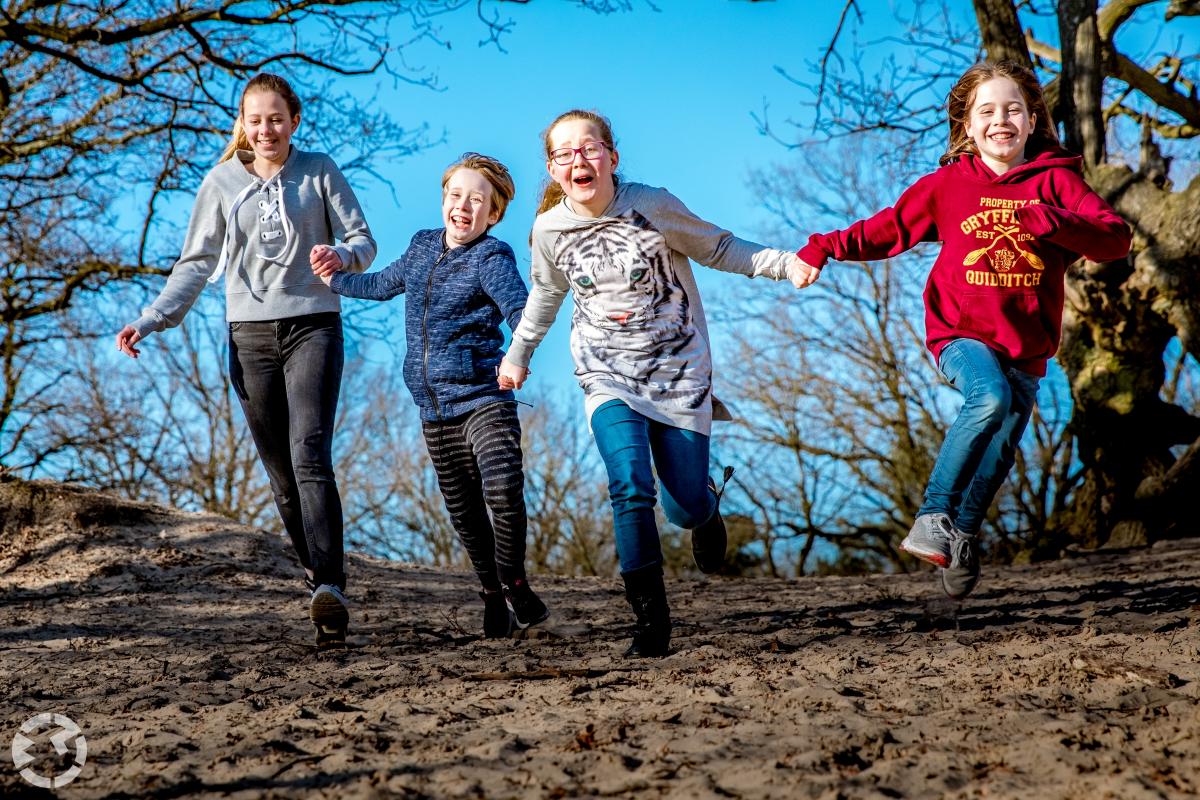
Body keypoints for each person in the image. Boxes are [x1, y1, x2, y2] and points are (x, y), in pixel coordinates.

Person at [795, 60, 1132, 600]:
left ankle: (965, 531)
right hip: (960, 332)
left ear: (1031, 120)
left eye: (1013, 109)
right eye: (987, 112)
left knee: (999, 451)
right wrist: (825, 246)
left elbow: (1116, 239)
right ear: (968, 127)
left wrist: (1057, 221)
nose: (1001, 120)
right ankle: (933, 517)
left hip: (1027, 344)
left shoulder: (1058, 181)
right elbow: (887, 230)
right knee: (987, 396)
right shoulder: (948, 185)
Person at [498, 109, 814, 658]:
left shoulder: (652, 205)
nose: (580, 159)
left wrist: (784, 264)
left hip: (678, 371)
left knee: (683, 507)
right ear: (552, 169)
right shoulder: (549, 231)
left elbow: (717, 247)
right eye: (566, 153)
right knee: (630, 486)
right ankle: (650, 622)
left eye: (590, 148)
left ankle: (706, 507)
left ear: (612, 158)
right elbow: (546, 294)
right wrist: (518, 354)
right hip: (606, 374)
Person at [116, 73, 377, 648]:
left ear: (295, 121)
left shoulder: (320, 170)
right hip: (249, 338)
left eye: (277, 118)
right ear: (243, 122)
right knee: (282, 475)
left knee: (310, 453)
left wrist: (341, 255)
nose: (266, 129)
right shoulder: (220, 182)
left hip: (314, 325)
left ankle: (331, 585)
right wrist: (151, 318)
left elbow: (363, 240)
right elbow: (194, 264)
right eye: (256, 119)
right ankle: (316, 582)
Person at [314, 153, 549, 638]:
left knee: (502, 491)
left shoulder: (491, 257)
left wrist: (518, 356)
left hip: (485, 399)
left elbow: (520, 309)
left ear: (493, 214)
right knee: (463, 511)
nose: (463, 206)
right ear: (444, 199)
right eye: (456, 195)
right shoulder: (422, 246)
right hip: (433, 410)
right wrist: (335, 275)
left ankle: (515, 583)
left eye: (477, 200)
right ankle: (491, 593)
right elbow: (381, 283)